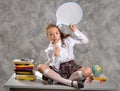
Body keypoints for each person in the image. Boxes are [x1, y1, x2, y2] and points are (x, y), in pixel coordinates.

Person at [37, 24, 92, 88]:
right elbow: (55, 68)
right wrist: (55, 56)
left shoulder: (68, 40)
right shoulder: (49, 50)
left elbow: (85, 41)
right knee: (40, 67)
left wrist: (75, 31)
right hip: (58, 71)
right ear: (48, 37)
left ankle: (64, 81)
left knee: (88, 70)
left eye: (56, 33)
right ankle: (69, 83)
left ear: (60, 33)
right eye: (51, 35)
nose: (54, 36)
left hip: (71, 68)